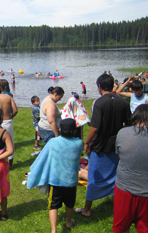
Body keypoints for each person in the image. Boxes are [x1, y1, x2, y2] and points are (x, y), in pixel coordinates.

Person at [75, 73, 131, 218]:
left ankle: (87, 209)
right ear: (112, 85)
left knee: (94, 176)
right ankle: (117, 202)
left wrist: (87, 141)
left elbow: (96, 126)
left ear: (99, 87)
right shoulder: (123, 102)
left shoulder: (100, 103)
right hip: (117, 144)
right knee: (115, 173)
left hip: (100, 145)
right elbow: (129, 123)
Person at [27, 119, 83, 231]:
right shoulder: (79, 143)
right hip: (71, 181)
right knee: (70, 203)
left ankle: (53, 230)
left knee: (53, 205)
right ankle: (68, 222)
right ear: (75, 131)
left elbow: (43, 157)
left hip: (55, 181)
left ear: (60, 130)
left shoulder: (53, 142)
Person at [113, 104, 148, 233]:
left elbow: (120, 154)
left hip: (124, 188)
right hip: (145, 192)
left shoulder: (123, 133)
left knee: (121, 226)